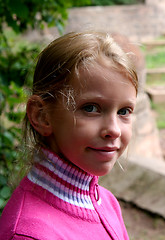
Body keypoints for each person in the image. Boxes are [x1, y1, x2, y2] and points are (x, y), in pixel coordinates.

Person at [0, 31, 138, 239]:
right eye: (91, 108)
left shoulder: (106, 202)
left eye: (124, 111)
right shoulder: (29, 234)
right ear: (42, 115)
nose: (114, 130)